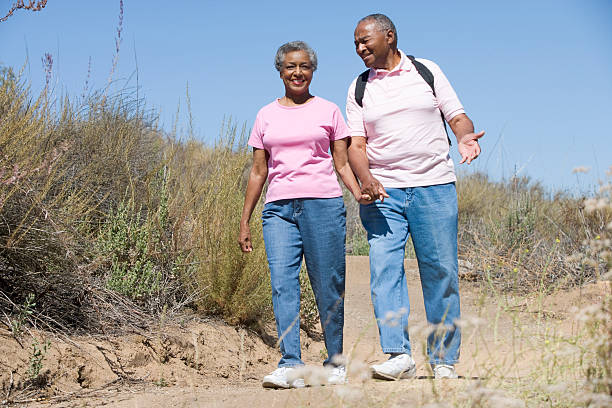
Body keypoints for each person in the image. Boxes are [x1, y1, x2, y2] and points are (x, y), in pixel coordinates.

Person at [346, 14, 484, 380]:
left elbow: (457, 116)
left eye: (365, 40)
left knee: (441, 272)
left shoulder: (427, 71)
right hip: (384, 193)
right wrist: (366, 178)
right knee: (383, 271)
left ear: (389, 36)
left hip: (434, 187)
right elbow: (356, 146)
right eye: (356, 43)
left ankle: (443, 359)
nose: (360, 48)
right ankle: (398, 355)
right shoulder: (359, 87)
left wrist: (465, 137)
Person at [239, 41, 365, 389]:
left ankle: (335, 362)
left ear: (313, 71)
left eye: (305, 66)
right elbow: (258, 171)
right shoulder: (265, 115)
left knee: (328, 285)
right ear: (280, 70)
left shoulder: (328, 111)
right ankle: (290, 363)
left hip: (322, 205)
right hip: (278, 210)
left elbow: (341, 162)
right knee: (282, 285)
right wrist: (245, 219)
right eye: (291, 66)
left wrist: (357, 192)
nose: (298, 72)